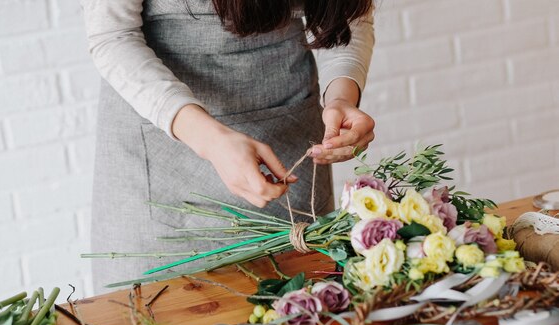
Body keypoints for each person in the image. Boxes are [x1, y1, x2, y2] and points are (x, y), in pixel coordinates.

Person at [82, 0, 376, 291]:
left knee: (302, 309)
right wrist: (210, 140)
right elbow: (113, 36)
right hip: (158, 143)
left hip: (289, 130)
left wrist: (342, 97)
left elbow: (349, 16)